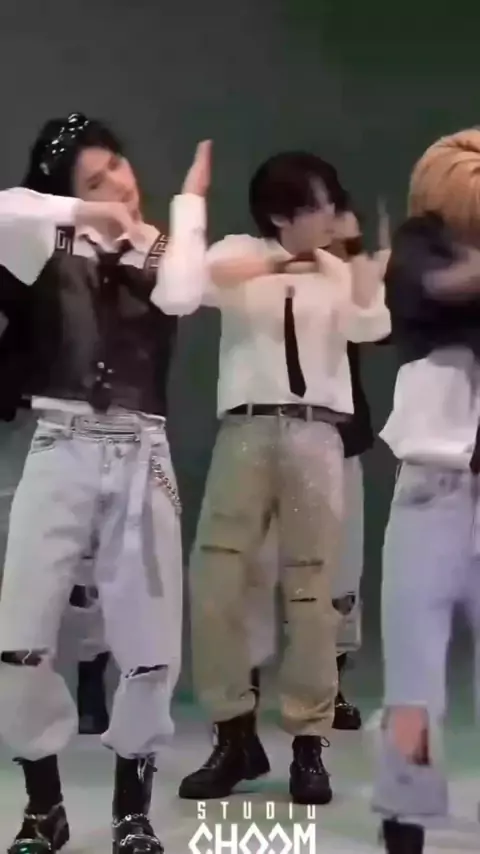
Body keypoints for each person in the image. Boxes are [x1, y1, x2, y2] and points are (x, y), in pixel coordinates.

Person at [0, 113, 209, 854]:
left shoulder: (160, 249)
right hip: (59, 445)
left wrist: (189, 205)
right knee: (19, 638)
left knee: (149, 643)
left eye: (117, 165)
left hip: (140, 453)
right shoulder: (43, 238)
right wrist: (84, 213)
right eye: (95, 178)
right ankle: (44, 806)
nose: (118, 183)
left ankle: (132, 811)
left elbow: (183, 294)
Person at [157, 149, 391, 804]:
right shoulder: (239, 254)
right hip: (245, 429)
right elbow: (183, 288)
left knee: (314, 590)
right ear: (283, 214)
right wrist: (272, 259)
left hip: (317, 433)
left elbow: (373, 322)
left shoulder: (336, 271)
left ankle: (309, 743)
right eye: (319, 205)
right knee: (218, 581)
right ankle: (233, 734)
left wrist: (355, 264)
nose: (331, 215)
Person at [371, 128, 480, 854]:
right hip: (433, 490)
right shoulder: (419, 249)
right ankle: (406, 813)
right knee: (414, 673)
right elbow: (434, 288)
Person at [245, 196, 391, 732]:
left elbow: (379, 327)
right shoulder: (269, 278)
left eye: (350, 243)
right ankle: (244, 692)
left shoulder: (350, 289)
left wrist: (363, 270)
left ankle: (330, 683)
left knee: (339, 571)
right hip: (268, 437)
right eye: (332, 240)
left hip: (338, 436)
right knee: (257, 569)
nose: (339, 252)